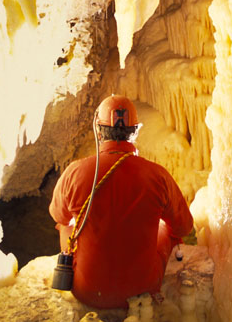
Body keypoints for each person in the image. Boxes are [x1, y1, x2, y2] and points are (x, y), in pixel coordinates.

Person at [49, 94, 193, 308]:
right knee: (166, 229)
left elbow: (57, 215)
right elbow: (183, 227)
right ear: (135, 131)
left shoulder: (75, 171)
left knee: (65, 225)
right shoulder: (157, 175)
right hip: (142, 290)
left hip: (87, 291)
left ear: (98, 130)